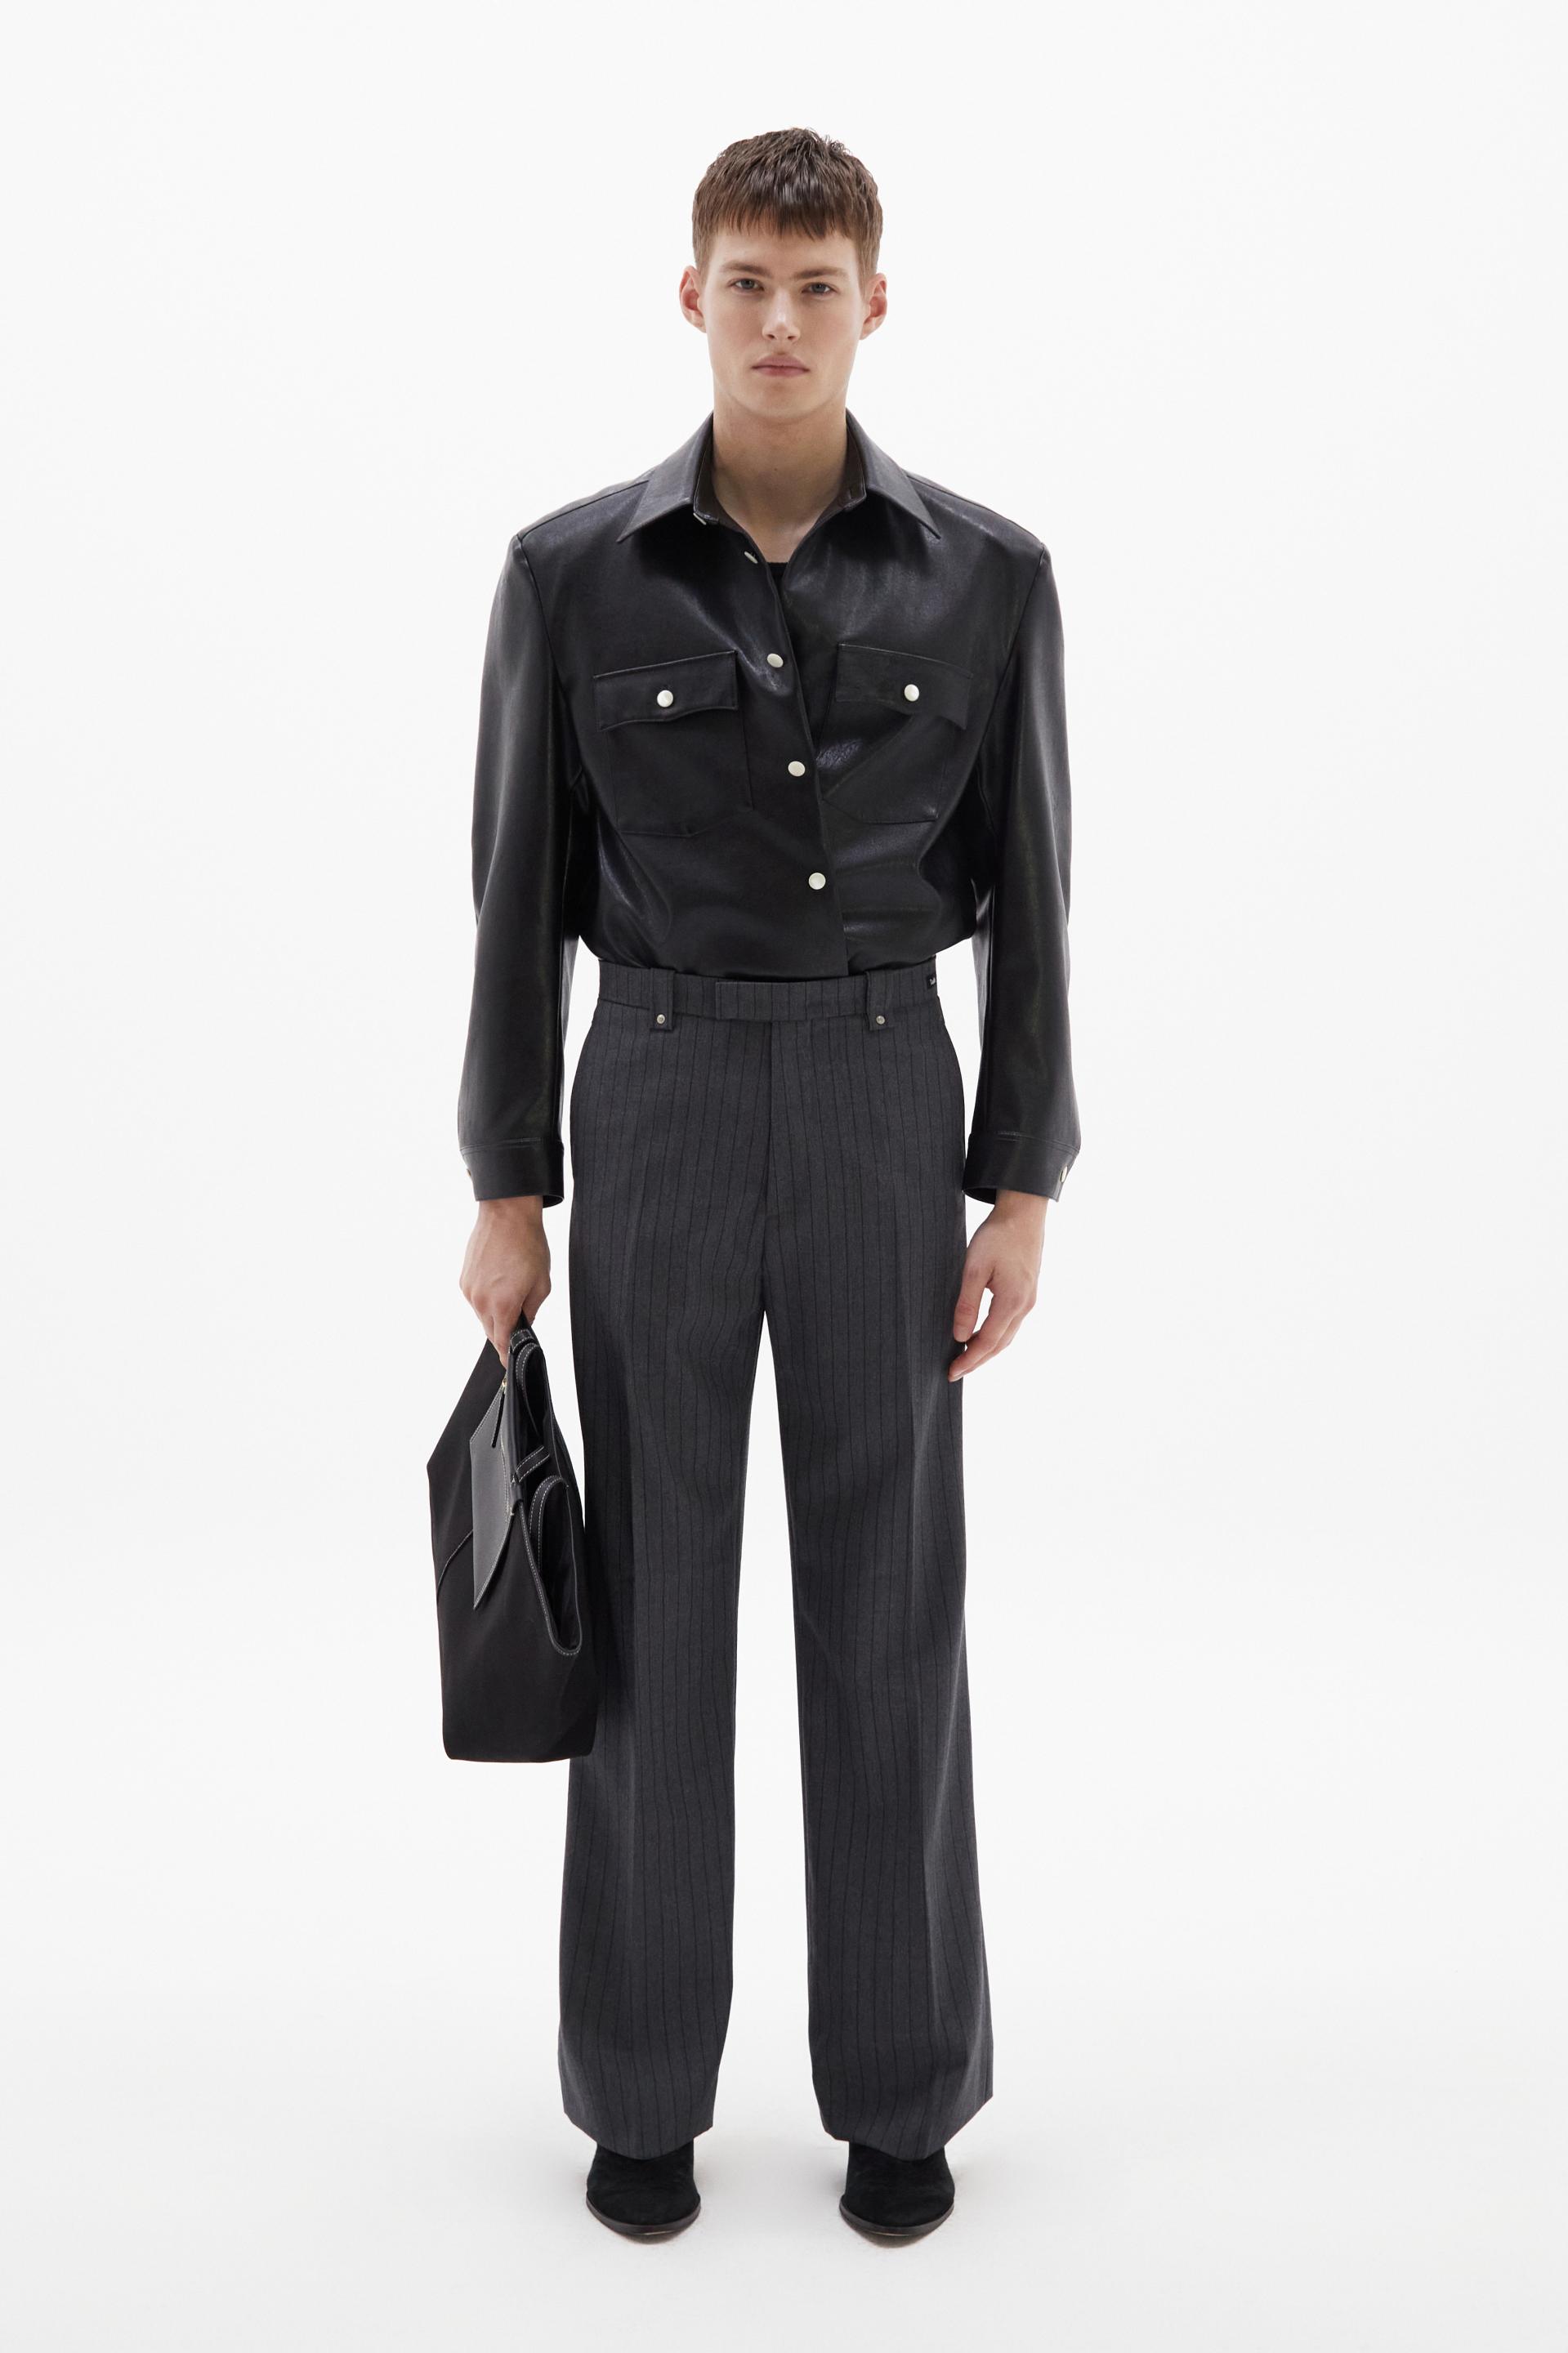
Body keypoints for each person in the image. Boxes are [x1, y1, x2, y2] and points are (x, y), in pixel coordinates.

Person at [455, 125, 1079, 2243]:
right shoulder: (569, 574)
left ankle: (902, 2095)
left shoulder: (990, 577)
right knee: (651, 1607)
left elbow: (1040, 903)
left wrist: (1018, 1188)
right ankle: (643, 2095)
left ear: (874, 302)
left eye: (819, 287)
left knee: (891, 1606)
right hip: (653, 1092)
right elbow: (513, 898)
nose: (782, 321)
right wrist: (508, 1185)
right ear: (693, 297)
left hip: (892, 1096)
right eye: (748, 281)